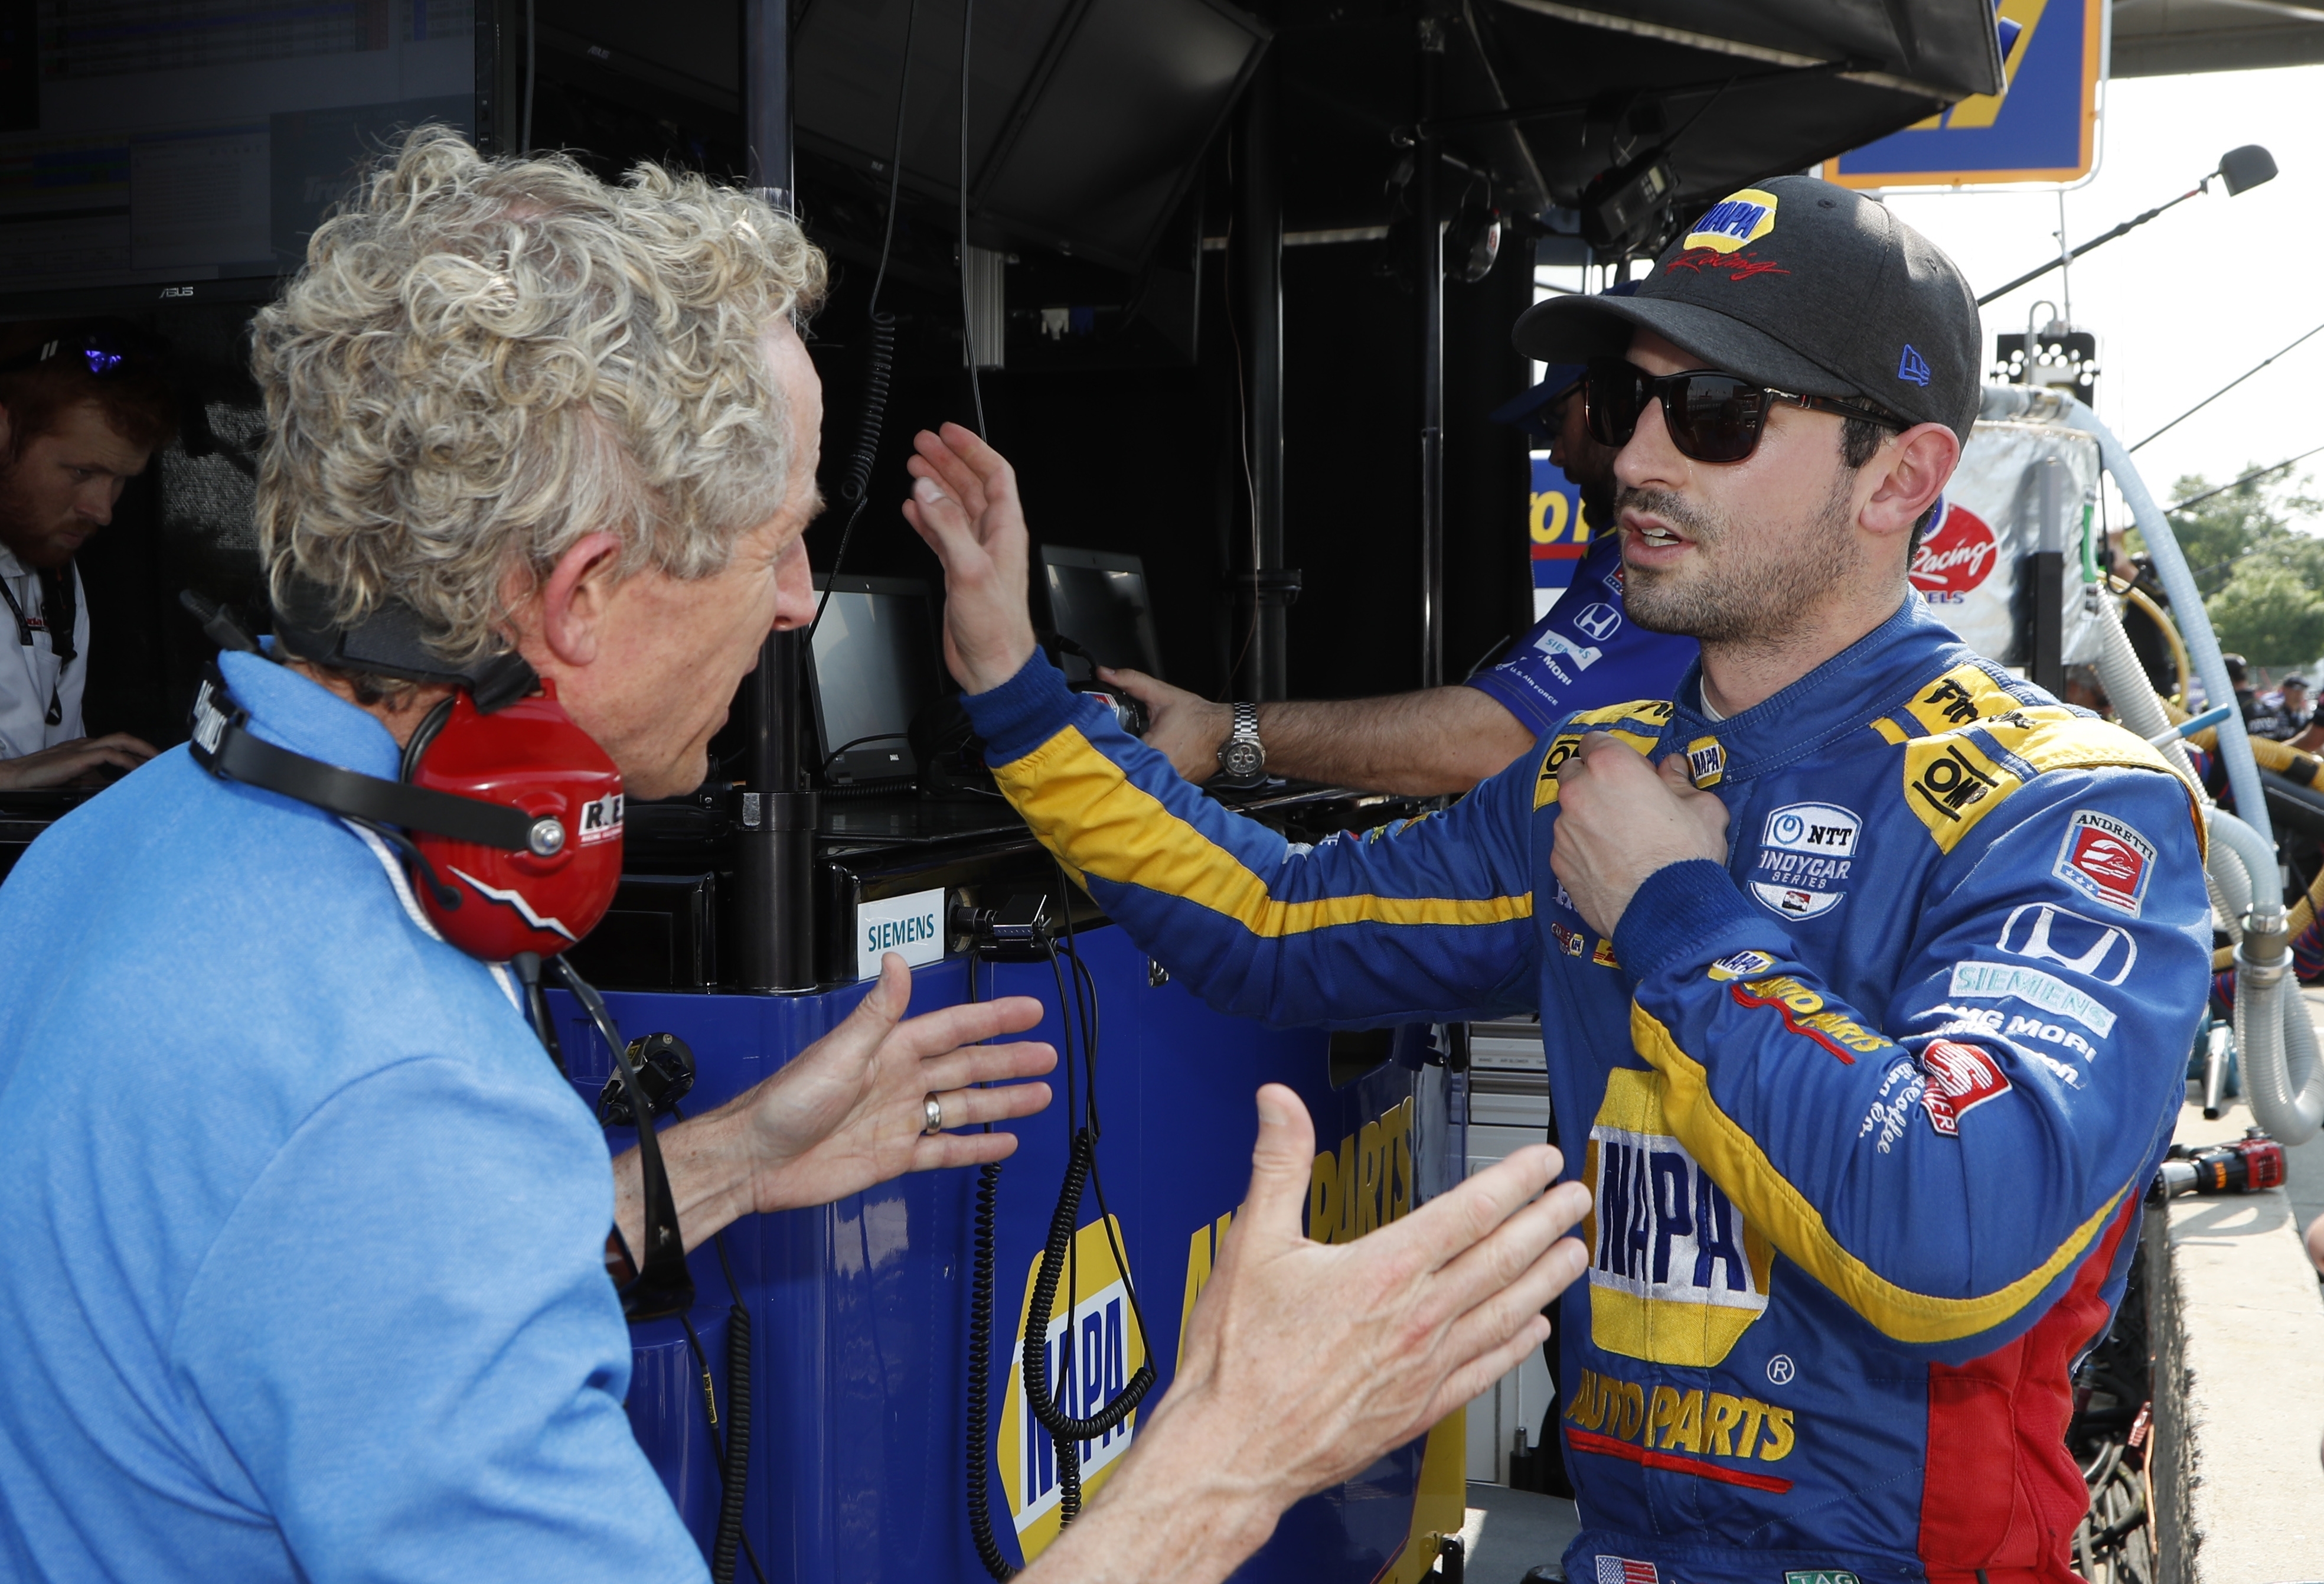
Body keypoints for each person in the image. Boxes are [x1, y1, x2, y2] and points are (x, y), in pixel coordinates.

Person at [0, 132, 1596, 1583]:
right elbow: (385, 1202)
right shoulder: (389, 1086)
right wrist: (1233, 1459)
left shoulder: (108, 857)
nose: (789, 608)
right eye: (779, 546)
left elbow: (339, 1296)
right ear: (583, 597)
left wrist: (733, 1160)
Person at [909, 175, 2211, 1583]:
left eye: (1713, 412)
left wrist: (1672, 913)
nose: (1638, 458)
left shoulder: (2066, 809)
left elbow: (1960, 1238)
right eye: (1624, 397)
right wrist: (1015, 690)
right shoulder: (1590, 781)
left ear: (1898, 477)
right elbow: (1274, 924)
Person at [1106, 292, 1697, 798]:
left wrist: (1227, 733)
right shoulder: (1627, 554)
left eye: (1563, 418)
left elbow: (1490, 739)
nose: (1558, 453)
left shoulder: (1667, 567)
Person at [0, 324, 169, 790]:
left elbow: (58, 760)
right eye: (81, 471)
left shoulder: (54, 571)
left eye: (120, 480)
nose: (103, 510)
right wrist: (10, 776)